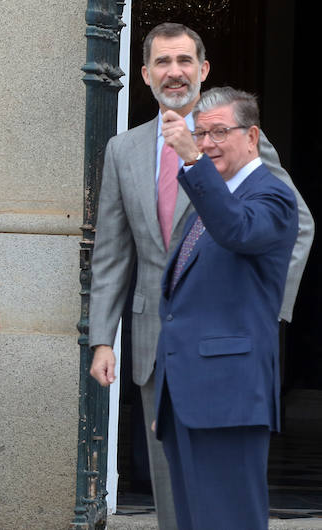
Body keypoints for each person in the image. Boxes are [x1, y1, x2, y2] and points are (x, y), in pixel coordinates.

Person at [87, 22, 313, 528]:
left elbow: (291, 223)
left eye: (185, 61)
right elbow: (111, 253)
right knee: (177, 496)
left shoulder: (235, 139)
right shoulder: (124, 150)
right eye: (162, 62)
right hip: (155, 343)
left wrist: (262, 311)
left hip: (226, 347)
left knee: (223, 499)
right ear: (143, 73)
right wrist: (103, 338)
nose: (174, 73)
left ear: (204, 69)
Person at [155, 86, 297, 528]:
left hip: (228, 395)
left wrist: (194, 164)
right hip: (186, 392)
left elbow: (237, 231)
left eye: (219, 132)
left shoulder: (271, 197)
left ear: (252, 137)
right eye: (200, 134)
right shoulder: (210, 199)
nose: (207, 143)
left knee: (230, 519)